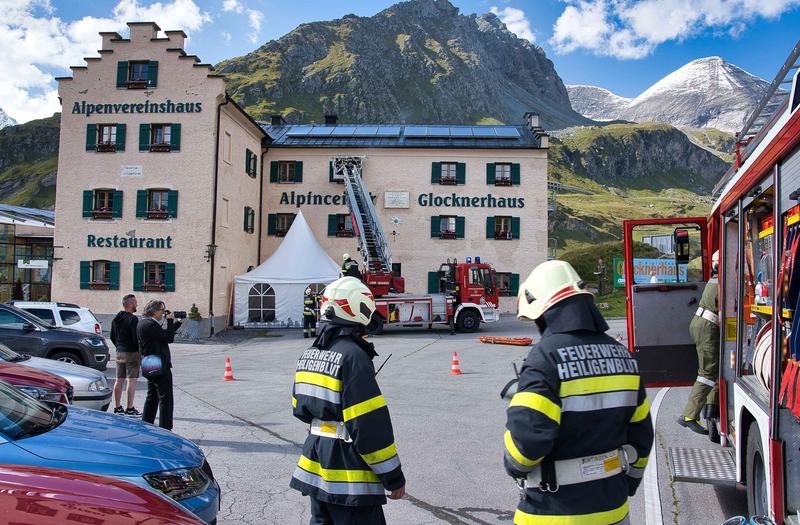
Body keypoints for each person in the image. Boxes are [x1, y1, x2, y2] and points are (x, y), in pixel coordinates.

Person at [504, 260, 653, 525]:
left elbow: (525, 448)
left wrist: (512, 461)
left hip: (552, 514)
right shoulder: (624, 356)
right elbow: (641, 435)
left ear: (543, 310)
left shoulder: (545, 358)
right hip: (614, 510)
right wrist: (627, 484)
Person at [290, 276, 405, 524]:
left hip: (317, 466)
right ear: (357, 308)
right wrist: (393, 477)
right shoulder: (353, 357)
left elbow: (298, 409)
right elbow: (369, 427)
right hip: (349, 476)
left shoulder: (309, 353)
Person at [679, 250, 720, 441]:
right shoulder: (724, 281)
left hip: (702, 324)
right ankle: (689, 415)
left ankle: (712, 408)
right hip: (708, 327)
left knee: (714, 370)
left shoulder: (716, 278)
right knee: (708, 373)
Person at [138, 300, 181, 431]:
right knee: (165, 398)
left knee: (152, 396)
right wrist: (169, 321)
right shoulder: (150, 324)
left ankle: (146, 424)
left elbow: (163, 336)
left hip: (149, 363)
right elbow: (168, 338)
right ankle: (165, 428)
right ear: (154, 310)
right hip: (159, 364)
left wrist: (177, 323)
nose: (163, 313)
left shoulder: (143, 323)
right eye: (162, 310)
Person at [110, 294, 140, 416]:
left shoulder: (115, 319)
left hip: (119, 352)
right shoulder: (133, 319)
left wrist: (119, 346)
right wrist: (139, 350)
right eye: (136, 302)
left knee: (119, 380)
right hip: (131, 352)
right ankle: (130, 408)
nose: (137, 304)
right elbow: (135, 338)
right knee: (131, 381)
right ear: (131, 304)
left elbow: (112, 336)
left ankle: (117, 407)